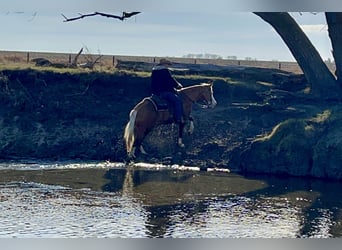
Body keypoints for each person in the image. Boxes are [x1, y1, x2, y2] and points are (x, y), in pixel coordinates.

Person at [151, 58, 184, 124]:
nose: (168, 66)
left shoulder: (154, 71)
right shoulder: (165, 71)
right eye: (168, 64)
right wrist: (178, 85)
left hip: (155, 92)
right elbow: (170, 80)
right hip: (164, 92)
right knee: (178, 101)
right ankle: (178, 118)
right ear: (164, 64)